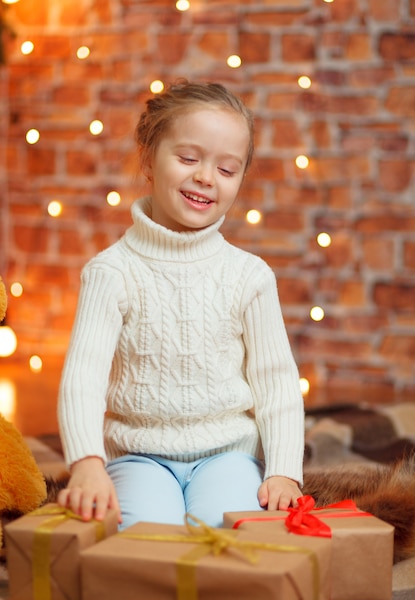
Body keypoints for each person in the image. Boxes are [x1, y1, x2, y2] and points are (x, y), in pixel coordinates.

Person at [57, 79, 305, 530]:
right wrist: (87, 463)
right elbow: (84, 375)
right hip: (138, 456)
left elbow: (277, 382)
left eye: (227, 170)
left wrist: (284, 470)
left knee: (226, 531)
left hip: (227, 455)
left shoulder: (249, 275)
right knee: (148, 536)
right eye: (188, 158)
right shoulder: (110, 272)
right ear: (149, 159)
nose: (206, 177)